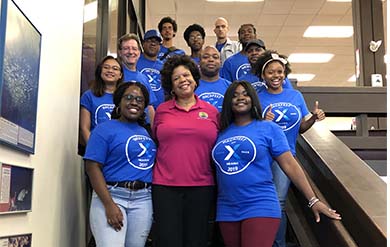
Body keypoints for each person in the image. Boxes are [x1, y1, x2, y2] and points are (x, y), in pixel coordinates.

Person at [212, 80, 341, 247]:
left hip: (259, 205)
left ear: (253, 99)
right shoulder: (221, 133)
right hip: (227, 209)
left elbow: (290, 165)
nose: (240, 98)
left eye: (245, 94)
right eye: (234, 95)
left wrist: (313, 200)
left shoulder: (268, 128)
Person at [254, 50, 326, 247]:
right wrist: (261, 121)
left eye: (280, 71)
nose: (276, 76)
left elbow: (301, 128)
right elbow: (250, 130)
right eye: (271, 72)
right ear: (262, 75)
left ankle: (277, 244)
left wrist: (313, 117)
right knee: (262, 203)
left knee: (278, 202)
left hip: (286, 157)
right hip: (262, 158)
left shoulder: (295, 96)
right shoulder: (257, 97)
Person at [152, 55, 219, 247]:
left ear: (195, 79)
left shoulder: (212, 111)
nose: (183, 80)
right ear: (170, 86)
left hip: (202, 186)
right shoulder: (162, 111)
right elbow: (157, 141)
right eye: (176, 78)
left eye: (186, 75)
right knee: (168, 240)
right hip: (165, 186)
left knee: (196, 240)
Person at [84, 82, 157, 247]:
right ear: (119, 102)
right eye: (129, 98)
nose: (134, 102)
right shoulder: (104, 129)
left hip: (143, 199)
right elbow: (92, 167)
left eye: (140, 100)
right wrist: (109, 205)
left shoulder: (147, 132)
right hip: (111, 196)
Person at [80, 55, 123, 145]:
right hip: (96, 146)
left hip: (119, 147)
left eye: (115, 68)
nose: (110, 71)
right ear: (100, 71)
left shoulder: (125, 97)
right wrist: (93, 149)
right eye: (106, 67)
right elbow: (84, 128)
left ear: (120, 75)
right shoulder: (88, 96)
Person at [117, 33, 157, 125]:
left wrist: (153, 131)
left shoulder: (143, 78)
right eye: (126, 48)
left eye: (134, 49)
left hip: (142, 128)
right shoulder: (116, 74)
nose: (131, 52)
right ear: (120, 52)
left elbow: (150, 107)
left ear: (139, 52)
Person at [195, 45, 231, 112]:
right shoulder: (192, 87)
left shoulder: (230, 87)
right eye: (206, 57)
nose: (211, 60)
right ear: (199, 62)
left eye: (215, 57)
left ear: (220, 62)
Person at [137, 29, 165, 108]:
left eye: (156, 42)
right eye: (149, 40)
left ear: (160, 46)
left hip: (160, 111)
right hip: (140, 109)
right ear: (143, 44)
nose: (153, 43)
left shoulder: (164, 66)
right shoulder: (135, 61)